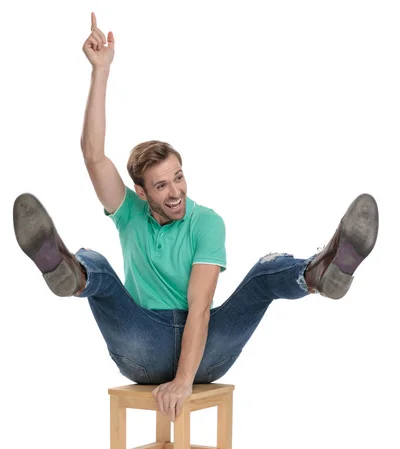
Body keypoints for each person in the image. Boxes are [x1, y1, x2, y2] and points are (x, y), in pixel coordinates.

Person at [12, 13, 379, 423]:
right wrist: (101, 71)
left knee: (265, 272)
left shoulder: (206, 222)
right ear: (141, 192)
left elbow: (200, 308)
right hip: (142, 347)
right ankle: (67, 272)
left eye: (179, 178)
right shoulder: (129, 215)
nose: (175, 192)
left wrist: (185, 379)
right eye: (161, 186)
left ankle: (320, 272)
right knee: (93, 260)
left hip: (206, 351)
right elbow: (94, 156)